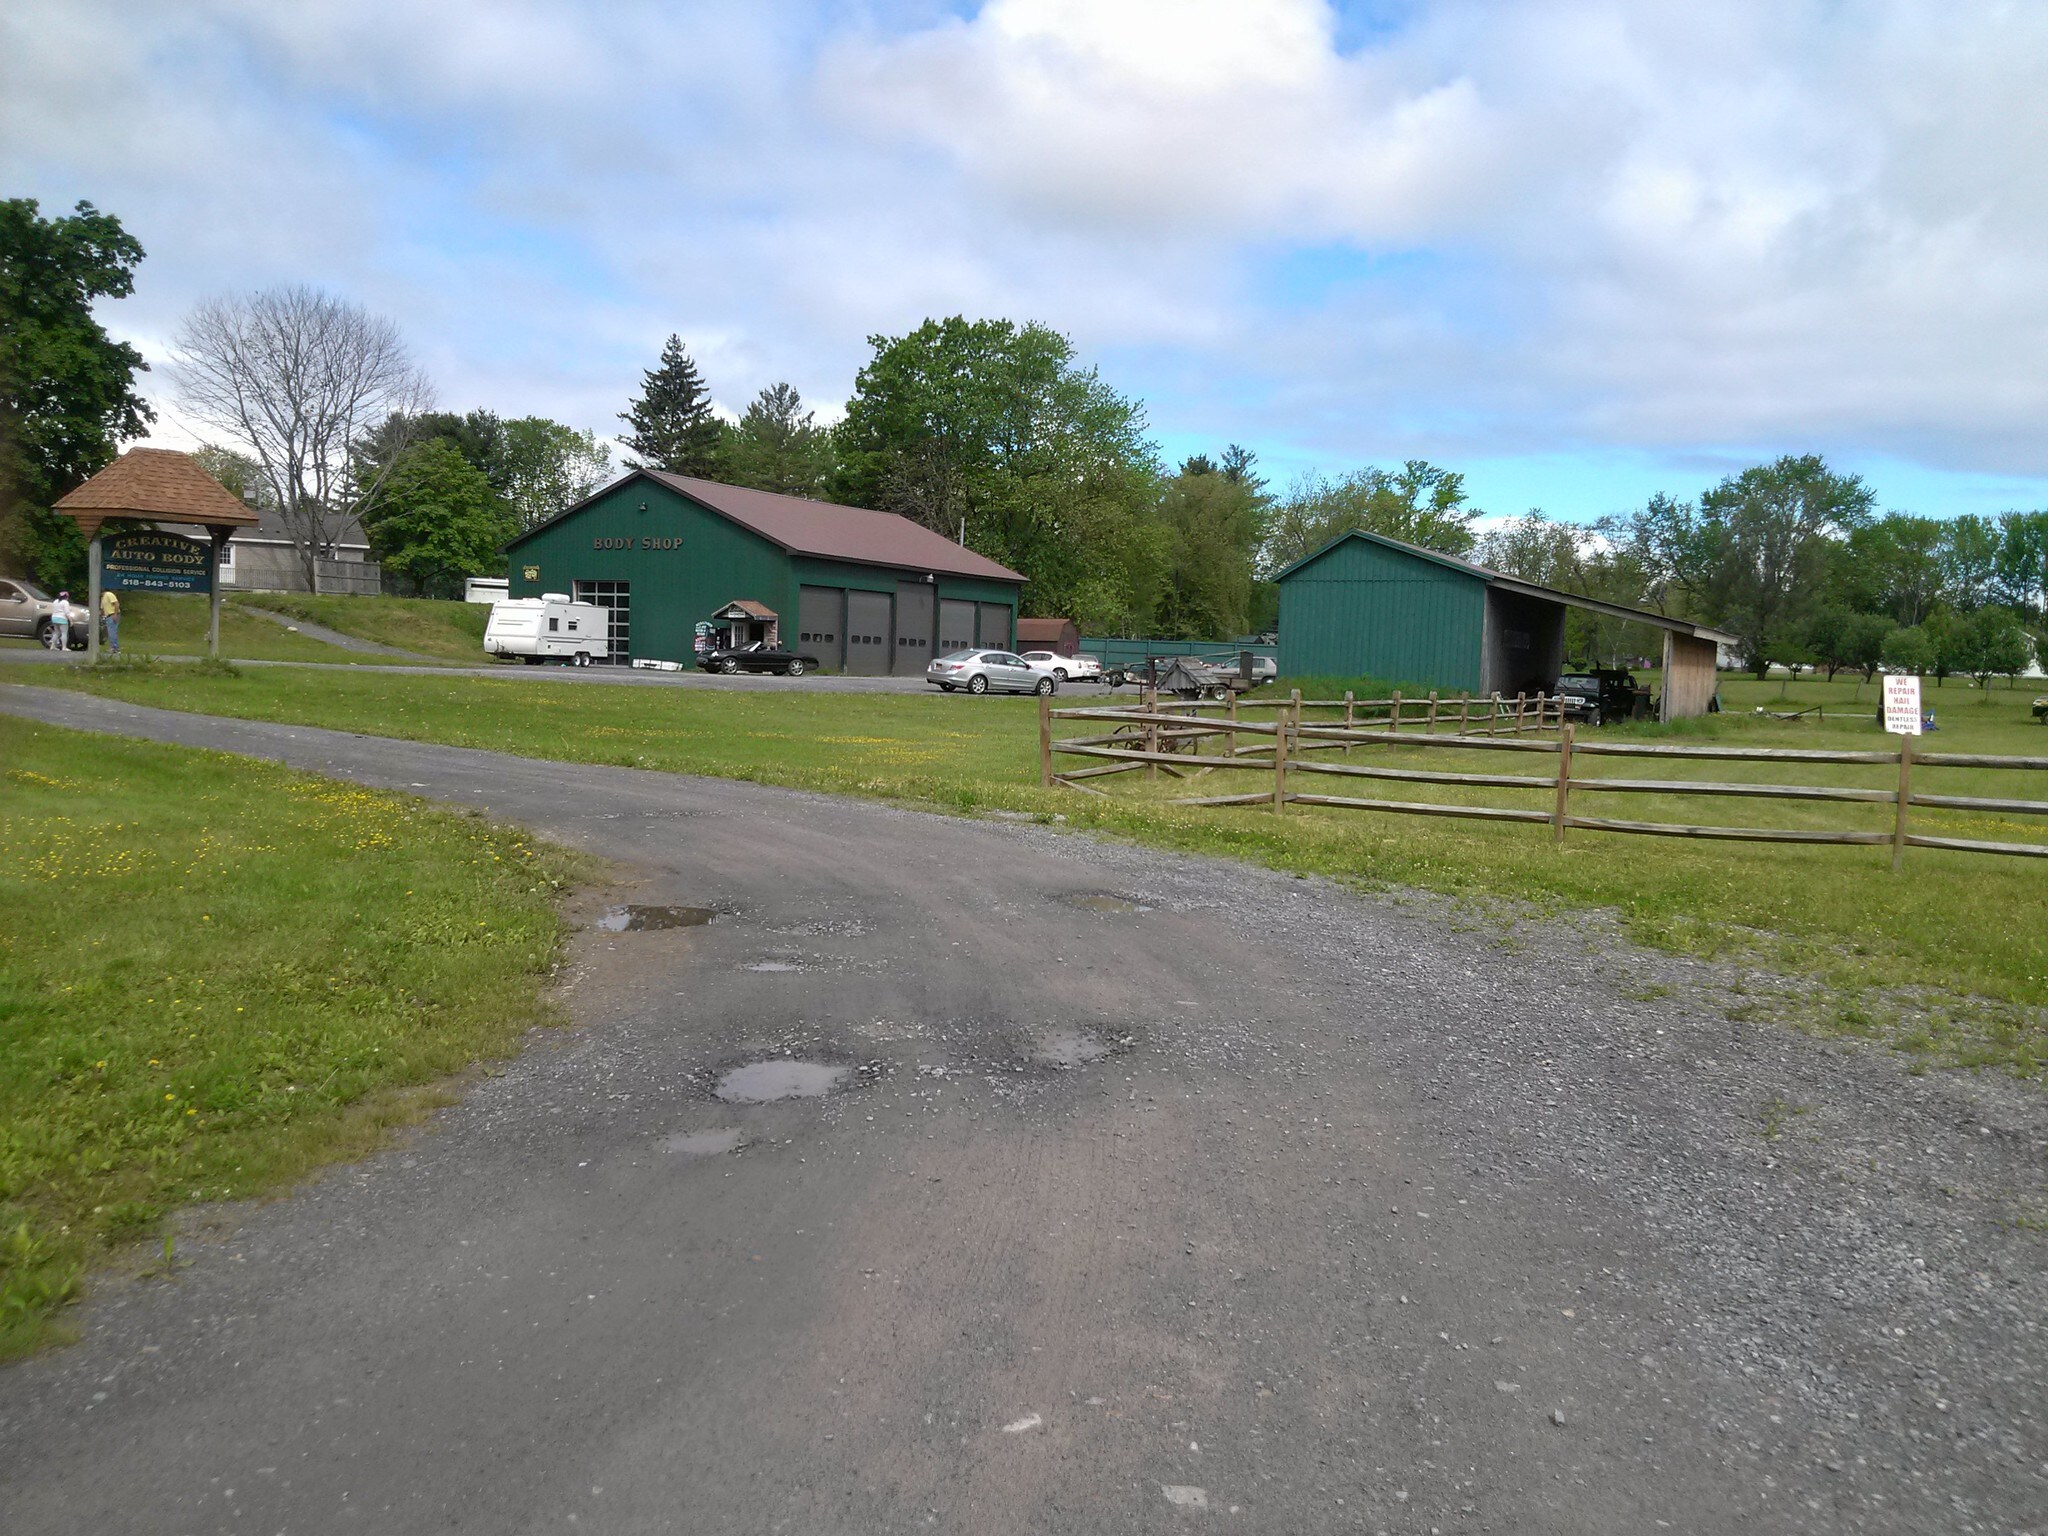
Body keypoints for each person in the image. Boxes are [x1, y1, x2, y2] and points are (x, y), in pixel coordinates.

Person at [100, 588, 120, 655]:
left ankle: (115, 648)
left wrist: (115, 614)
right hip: (108, 616)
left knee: (112, 631)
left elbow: (116, 604)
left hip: (112, 614)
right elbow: (102, 609)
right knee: (110, 632)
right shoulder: (103, 598)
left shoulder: (109, 594)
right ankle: (113, 647)